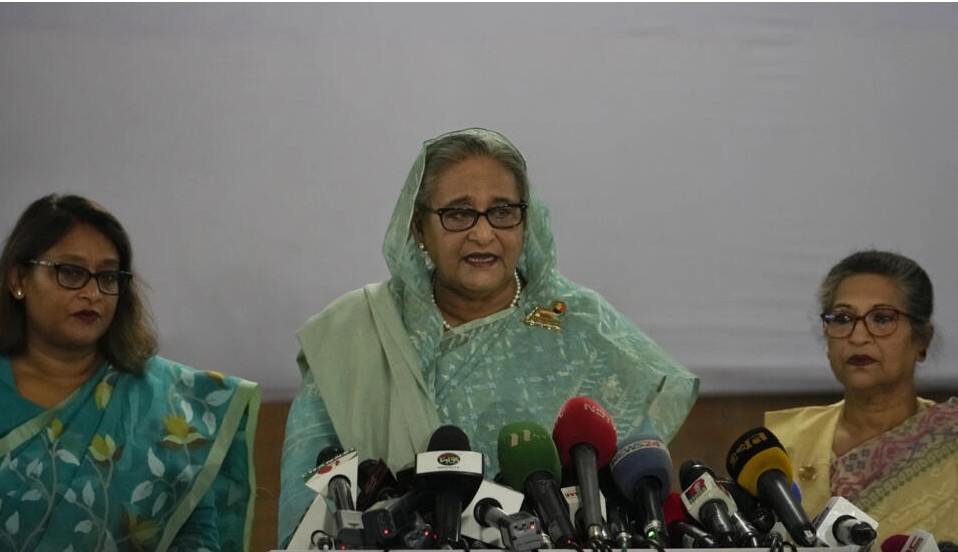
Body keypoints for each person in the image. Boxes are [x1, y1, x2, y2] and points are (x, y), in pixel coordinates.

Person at [278, 127, 699, 545]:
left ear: (526, 221)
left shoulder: (584, 328)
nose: (483, 233)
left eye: (502, 211)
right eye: (458, 214)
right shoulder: (354, 332)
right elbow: (308, 505)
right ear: (419, 228)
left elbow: (634, 483)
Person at [0, 194, 261, 551]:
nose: (93, 293)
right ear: (18, 278)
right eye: (71, 272)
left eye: (108, 277)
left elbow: (194, 533)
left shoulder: (168, 403)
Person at [765, 249, 957, 540]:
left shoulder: (951, 440)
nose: (857, 337)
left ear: (922, 339)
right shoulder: (781, 445)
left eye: (882, 318)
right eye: (843, 318)